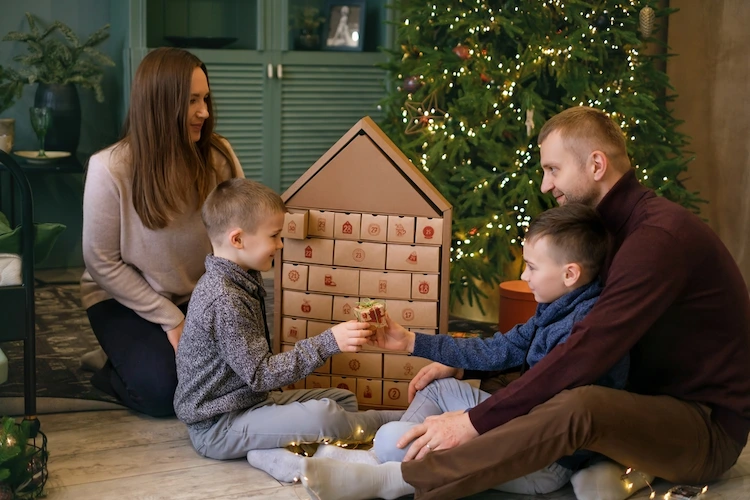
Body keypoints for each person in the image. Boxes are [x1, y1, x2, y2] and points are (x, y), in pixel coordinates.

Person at [300, 106, 750, 500]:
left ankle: (398, 480)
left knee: (579, 403)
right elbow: (540, 342)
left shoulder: (654, 240)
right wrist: (464, 366)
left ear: (596, 164)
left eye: (553, 169)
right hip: (641, 404)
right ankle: (611, 471)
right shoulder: (604, 236)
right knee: (524, 391)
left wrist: (474, 421)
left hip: (700, 427)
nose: (545, 184)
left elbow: (586, 353)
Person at [296, 203, 628, 498]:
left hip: (544, 459)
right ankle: (382, 451)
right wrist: (411, 341)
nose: (524, 275)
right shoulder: (558, 306)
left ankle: (380, 462)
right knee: (436, 387)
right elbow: (500, 350)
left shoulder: (586, 326)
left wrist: (469, 423)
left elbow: (541, 412)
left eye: (532, 267)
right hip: (520, 424)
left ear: (570, 273)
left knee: (389, 440)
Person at [173, 178, 404, 482]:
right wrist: (329, 342)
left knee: (342, 401)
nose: (281, 244)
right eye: (275, 236)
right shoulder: (224, 298)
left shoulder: (239, 278)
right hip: (217, 426)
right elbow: (260, 374)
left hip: (249, 403)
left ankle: (280, 450)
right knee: (328, 417)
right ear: (238, 239)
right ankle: (399, 422)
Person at [80, 47, 243, 417]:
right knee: (163, 393)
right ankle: (110, 366)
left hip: (198, 296)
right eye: (191, 101)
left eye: (206, 99)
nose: (204, 111)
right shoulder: (109, 168)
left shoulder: (220, 156)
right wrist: (172, 319)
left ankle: (132, 354)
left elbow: (241, 233)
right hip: (125, 300)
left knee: (237, 379)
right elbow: (100, 262)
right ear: (159, 104)